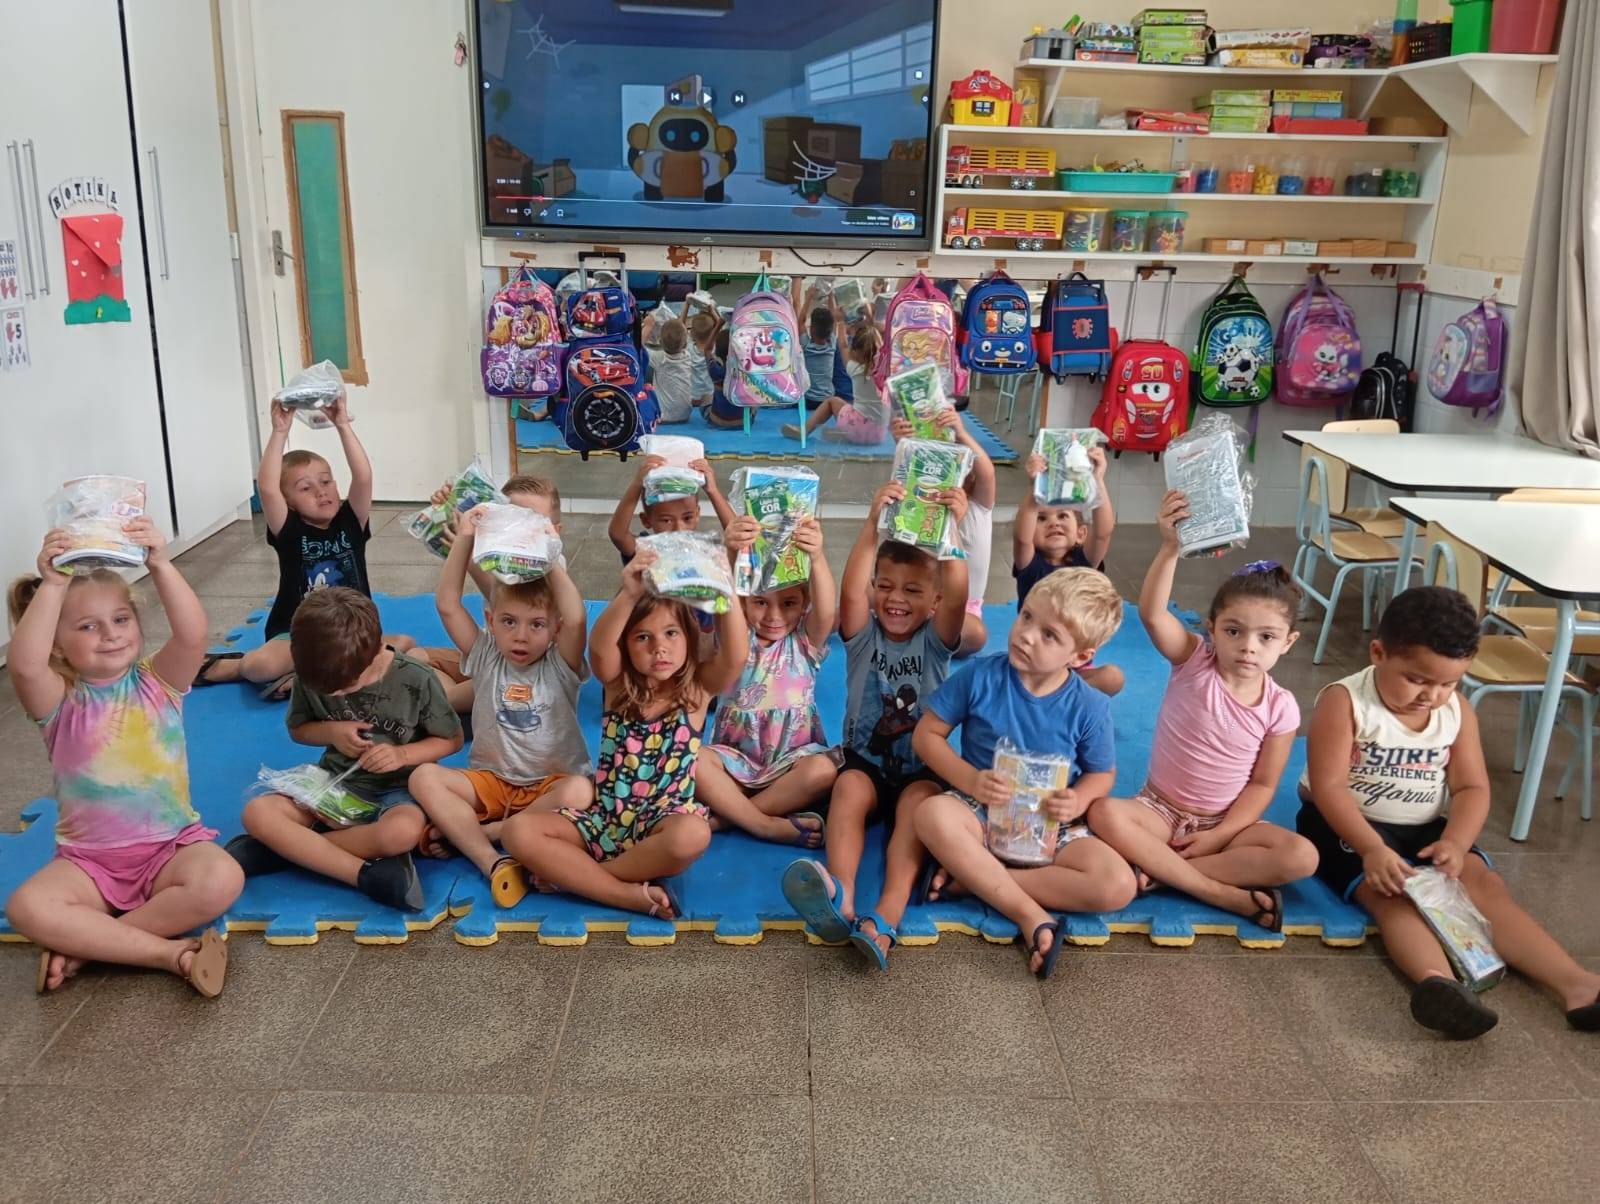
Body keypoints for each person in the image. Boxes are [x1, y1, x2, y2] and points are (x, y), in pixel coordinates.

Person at [1299, 585, 1600, 1039]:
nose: (1432, 695)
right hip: (1346, 824)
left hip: (1426, 824)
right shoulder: (1345, 701)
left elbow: (1472, 786)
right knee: (1393, 896)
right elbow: (1329, 786)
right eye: (1418, 680)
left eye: (1448, 683)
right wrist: (1371, 849)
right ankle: (1438, 986)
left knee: (1485, 885)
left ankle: (1578, 986)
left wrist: (1457, 843)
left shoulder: (1456, 710)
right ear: (1378, 653)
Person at [6, 524, 240, 996]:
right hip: (89, 865)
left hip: (169, 851)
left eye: (120, 619)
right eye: (87, 626)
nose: (110, 635)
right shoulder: (60, 700)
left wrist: (161, 563)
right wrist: (52, 584)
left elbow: (193, 635)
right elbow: (25, 666)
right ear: (56, 642)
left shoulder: (160, 681)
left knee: (222, 878)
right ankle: (166, 953)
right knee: (26, 907)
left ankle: (91, 944)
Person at [1088, 493, 1320, 933]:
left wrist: (1219, 835)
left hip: (1226, 826)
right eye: (1234, 631)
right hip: (1157, 810)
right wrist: (1170, 547)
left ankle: (1161, 872)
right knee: (1103, 813)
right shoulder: (1195, 660)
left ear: (1287, 642)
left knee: (1302, 857)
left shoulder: (1280, 706)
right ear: (1212, 628)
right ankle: (1213, 889)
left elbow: (1264, 783)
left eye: (1266, 637)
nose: (1248, 646)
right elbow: (1154, 615)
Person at [912, 568, 1138, 979]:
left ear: (1081, 657)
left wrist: (1080, 799)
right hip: (979, 810)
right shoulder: (981, 675)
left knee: (1118, 884)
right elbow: (926, 737)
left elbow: (1101, 775)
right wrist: (969, 780)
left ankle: (970, 881)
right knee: (930, 815)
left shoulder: (1089, 705)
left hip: (1050, 826)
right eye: (1026, 617)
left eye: (1049, 635)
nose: (1027, 635)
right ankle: (1029, 914)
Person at [501, 549, 748, 917]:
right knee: (516, 832)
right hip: (604, 820)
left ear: (689, 638)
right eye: (642, 638)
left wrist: (726, 593)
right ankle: (624, 895)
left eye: (670, 634)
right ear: (627, 646)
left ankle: (585, 878)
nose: (659, 647)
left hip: (662, 824)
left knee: (694, 834)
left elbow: (736, 656)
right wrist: (629, 593)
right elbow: (600, 647)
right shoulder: (618, 687)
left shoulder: (696, 692)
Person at [780, 480, 968, 964]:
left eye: (911, 591)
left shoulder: (935, 639)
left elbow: (959, 593)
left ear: (933, 600)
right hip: (865, 760)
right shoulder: (862, 636)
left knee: (914, 815)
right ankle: (839, 895)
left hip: (921, 769)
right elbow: (850, 590)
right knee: (846, 794)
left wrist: (952, 535)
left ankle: (885, 915)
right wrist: (871, 525)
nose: (894, 599)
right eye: (884, 586)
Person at [407, 504, 594, 908]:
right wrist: (464, 539)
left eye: (536, 625)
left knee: (581, 790)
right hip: (492, 781)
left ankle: (492, 832)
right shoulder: (487, 654)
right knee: (423, 776)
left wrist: (549, 550)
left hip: (550, 786)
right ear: (490, 621)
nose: (521, 636)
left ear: (554, 629)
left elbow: (577, 617)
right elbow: (447, 604)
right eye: (509, 622)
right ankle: (491, 860)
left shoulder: (560, 664)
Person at [230, 588, 463, 911]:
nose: (336, 693)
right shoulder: (314, 672)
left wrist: (401, 755)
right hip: (336, 781)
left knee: (401, 834)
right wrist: (332, 732)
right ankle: (363, 874)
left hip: (400, 789)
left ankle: (284, 852)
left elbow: (451, 740)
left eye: (347, 686)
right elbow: (298, 729)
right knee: (256, 812)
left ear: (377, 651)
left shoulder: (416, 678)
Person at [195, 393, 419, 699]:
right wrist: (279, 432)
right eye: (305, 488)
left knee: (404, 644)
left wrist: (342, 424)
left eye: (326, 482)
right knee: (261, 666)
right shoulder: (289, 531)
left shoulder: (350, 522)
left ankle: (305, 679)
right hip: (298, 636)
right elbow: (267, 488)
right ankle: (236, 668)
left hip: (352, 633)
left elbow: (363, 476)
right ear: (288, 502)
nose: (321, 492)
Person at [696, 516, 836, 846]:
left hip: (792, 761)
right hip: (736, 760)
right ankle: (764, 824)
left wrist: (816, 557)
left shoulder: (804, 641)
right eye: (760, 602)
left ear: (804, 604)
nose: (774, 616)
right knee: (693, 759)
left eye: (789, 603)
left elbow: (828, 611)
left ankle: (725, 819)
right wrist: (731, 554)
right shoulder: (735, 639)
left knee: (824, 771)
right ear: (743, 601)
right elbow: (723, 597)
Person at [1014, 444, 1123, 695]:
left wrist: (1097, 479)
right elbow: (1021, 538)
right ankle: (1045, 692)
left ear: (1081, 534)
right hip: (1035, 661)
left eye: (1063, 516)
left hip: (1075, 666)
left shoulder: (1084, 565)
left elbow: (1104, 531)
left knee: (1113, 678)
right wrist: (1034, 490)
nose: (1053, 523)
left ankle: (1060, 691)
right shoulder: (1030, 566)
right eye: (1042, 518)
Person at [888, 408, 997, 657]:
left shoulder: (978, 509)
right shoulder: (921, 504)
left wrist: (961, 434)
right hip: (915, 601)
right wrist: (903, 443)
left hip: (959, 611)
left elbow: (987, 473)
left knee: (977, 633)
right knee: (868, 594)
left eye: (958, 465)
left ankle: (909, 636)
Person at [783, 297, 886, 444]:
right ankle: (847, 433)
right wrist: (870, 318)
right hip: (878, 436)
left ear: (855, 351)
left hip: (858, 428)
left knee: (832, 401)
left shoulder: (855, 369)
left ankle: (804, 431)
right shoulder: (884, 370)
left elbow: (843, 345)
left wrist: (840, 320)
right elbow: (876, 343)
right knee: (857, 409)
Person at [608, 453, 734, 566]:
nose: (678, 529)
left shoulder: (706, 549)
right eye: (667, 520)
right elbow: (618, 535)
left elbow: (739, 535)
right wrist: (637, 483)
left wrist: (713, 490)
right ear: (646, 520)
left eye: (687, 518)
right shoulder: (646, 550)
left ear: (697, 514)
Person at [642, 310, 703, 424]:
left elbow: (637, 347)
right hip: (685, 414)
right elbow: (681, 334)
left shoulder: (658, 358)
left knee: (645, 370)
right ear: (685, 342)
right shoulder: (688, 355)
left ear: (660, 341)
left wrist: (648, 326)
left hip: (662, 416)